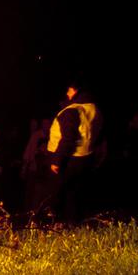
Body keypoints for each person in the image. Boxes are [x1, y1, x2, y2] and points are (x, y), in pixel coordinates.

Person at [42, 81, 102, 224]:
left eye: (69, 91)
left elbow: (68, 138)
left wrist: (57, 161)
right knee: (75, 193)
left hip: (67, 160)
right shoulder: (94, 109)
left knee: (57, 193)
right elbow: (98, 135)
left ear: (75, 91)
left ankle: (54, 224)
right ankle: (74, 223)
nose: (67, 94)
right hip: (85, 157)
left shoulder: (72, 111)